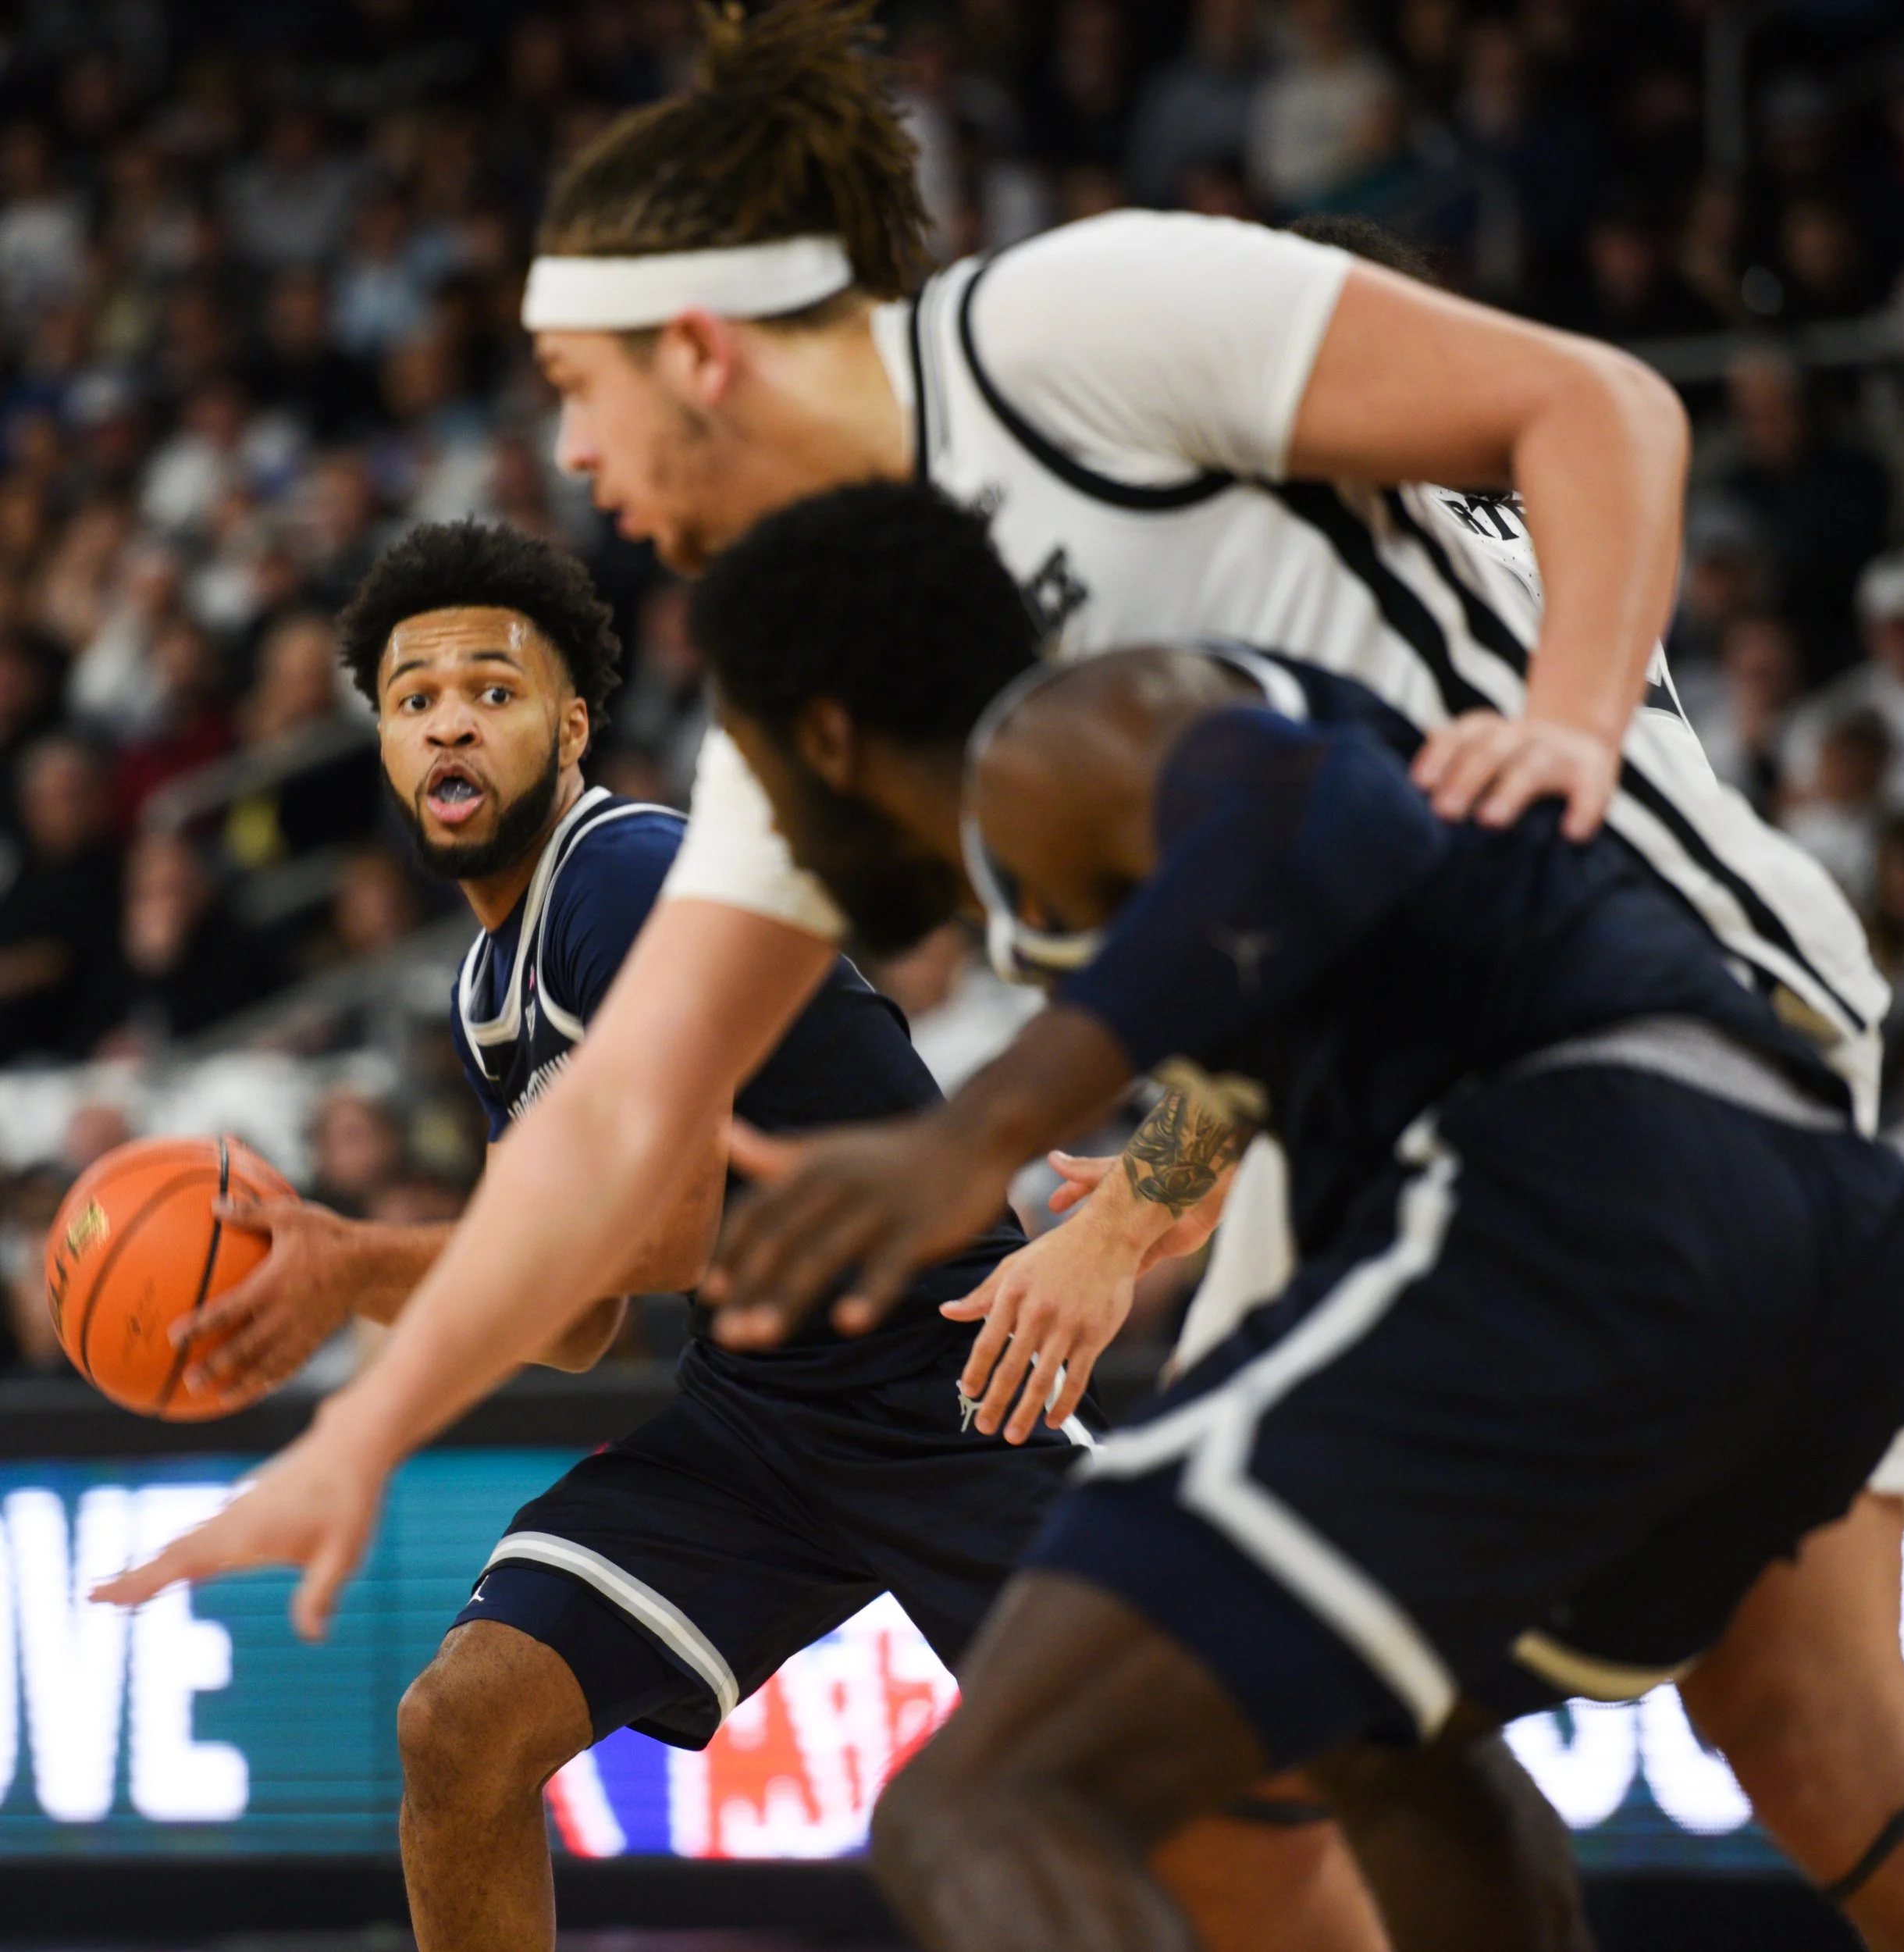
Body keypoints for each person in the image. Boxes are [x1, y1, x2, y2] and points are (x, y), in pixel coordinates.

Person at [99, 6, 1904, 1942]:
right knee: (1717, 1741)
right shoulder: (820, 669)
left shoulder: (1053, 337)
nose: (566, 451)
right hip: (1391, 1092)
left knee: (1072, 1782)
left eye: (577, 386)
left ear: (699, 348)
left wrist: (1556, 737)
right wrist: (357, 1423)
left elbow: (1576, 443)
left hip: (1627, 1019)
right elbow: (622, 1124)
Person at [676, 479, 1904, 1951]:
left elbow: (1330, 828)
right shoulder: (1238, 709)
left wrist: (978, 1137)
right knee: (1384, 1734)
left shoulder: (1061, 730)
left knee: (993, 1798)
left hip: (1591, 1182)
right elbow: (1311, 918)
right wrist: (1143, 1199)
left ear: (823, 736)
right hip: (1795, 1202)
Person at [156, 518, 1383, 1952]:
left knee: (1185, 1813)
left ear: (571, 726)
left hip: (947, 1379)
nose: (450, 725)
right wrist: (352, 1289)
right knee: (460, 1725)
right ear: (380, 741)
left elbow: (667, 1233)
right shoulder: (490, 986)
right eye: (414, 698)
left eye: (492, 691)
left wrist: (358, 1262)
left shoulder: (625, 870)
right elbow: (577, 1324)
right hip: (756, 1413)